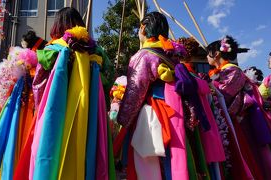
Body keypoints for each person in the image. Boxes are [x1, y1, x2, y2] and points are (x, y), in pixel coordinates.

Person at [14, 7, 115, 180]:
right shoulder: (97, 51)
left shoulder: (52, 49)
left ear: (58, 26)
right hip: (90, 112)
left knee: (52, 148)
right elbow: (109, 78)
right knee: (89, 152)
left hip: (57, 112)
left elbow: (39, 82)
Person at [117, 12, 190, 180]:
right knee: (172, 162)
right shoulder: (171, 54)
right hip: (176, 113)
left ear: (143, 27)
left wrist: (123, 120)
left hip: (153, 116)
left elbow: (135, 91)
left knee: (148, 165)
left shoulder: (144, 55)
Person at [206, 36, 271, 179]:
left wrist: (209, 88)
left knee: (246, 157)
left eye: (208, 53)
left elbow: (225, 95)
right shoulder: (225, 70)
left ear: (216, 54)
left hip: (238, 122)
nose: (206, 56)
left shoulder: (232, 70)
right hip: (234, 119)